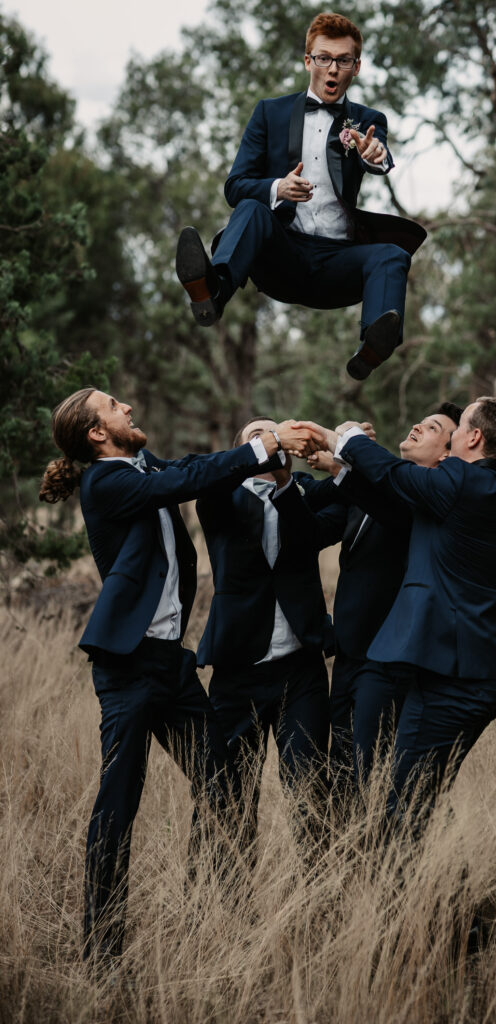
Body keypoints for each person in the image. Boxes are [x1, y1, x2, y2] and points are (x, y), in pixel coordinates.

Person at [38, 387, 323, 962]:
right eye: (114, 405)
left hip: (174, 665)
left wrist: (274, 447)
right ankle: (103, 951)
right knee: (119, 805)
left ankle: (223, 921)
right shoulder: (107, 482)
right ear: (97, 433)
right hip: (129, 668)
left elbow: (193, 469)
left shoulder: (143, 466)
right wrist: (265, 442)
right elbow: (179, 485)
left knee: (226, 792)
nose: (127, 407)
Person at [310, 397, 496, 834]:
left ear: (473, 437)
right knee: (417, 798)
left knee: (404, 809)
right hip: (468, 670)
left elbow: (395, 474)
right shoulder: (494, 484)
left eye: (457, 425)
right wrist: (341, 459)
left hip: (457, 677)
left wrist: (346, 438)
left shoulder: (463, 481)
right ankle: (431, 886)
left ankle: (404, 898)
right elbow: (393, 500)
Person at [175, 11, 426, 381]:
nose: (333, 69)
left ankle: (373, 347)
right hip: (282, 257)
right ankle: (212, 290)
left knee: (392, 254)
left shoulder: (368, 118)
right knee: (251, 208)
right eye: (324, 58)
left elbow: (379, 154)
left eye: (343, 60)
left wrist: (376, 156)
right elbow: (235, 185)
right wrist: (277, 187)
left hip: (337, 264)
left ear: (357, 67)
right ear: (308, 60)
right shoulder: (269, 112)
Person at [195, 416, 344, 861]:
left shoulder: (300, 496)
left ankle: (319, 901)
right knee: (229, 796)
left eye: (275, 430)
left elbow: (318, 531)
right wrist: (260, 455)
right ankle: (226, 906)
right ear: (243, 449)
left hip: (302, 670)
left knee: (312, 788)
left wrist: (287, 486)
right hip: (238, 669)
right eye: (257, 433)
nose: (269, 436)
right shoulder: (219, 496)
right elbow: (218, 477)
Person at [304, 404, 461, 801]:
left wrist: (346, 452)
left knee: (371, 769)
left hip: (388, 658)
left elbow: (393, 502)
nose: (417, 425)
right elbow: (320, 521)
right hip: (348, 651)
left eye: (431, 427)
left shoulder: (433, 498)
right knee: (338, 765)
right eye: (420, 420)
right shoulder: (371, 490)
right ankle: (341, 853)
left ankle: (386, 855)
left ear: (447, 452)